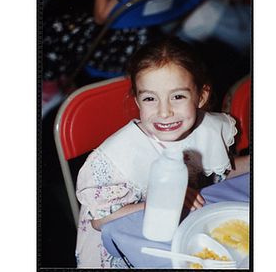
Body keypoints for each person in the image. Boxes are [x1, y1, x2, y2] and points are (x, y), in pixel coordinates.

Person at [75, 37, 249, 268]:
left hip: (185, 230)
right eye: (150, 99)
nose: (164, 112)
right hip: (126, 248)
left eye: (177, 97)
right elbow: (99, 220)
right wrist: (155, 203)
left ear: (201, 96)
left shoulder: (208, 128)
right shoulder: (113, 159)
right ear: (137, 100)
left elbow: (222, 171)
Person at [42, 0, 174, 117]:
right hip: (138, 44)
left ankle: (51, 91)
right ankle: (63, 78)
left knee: (52, 29)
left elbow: (100, 17)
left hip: (111, 52)